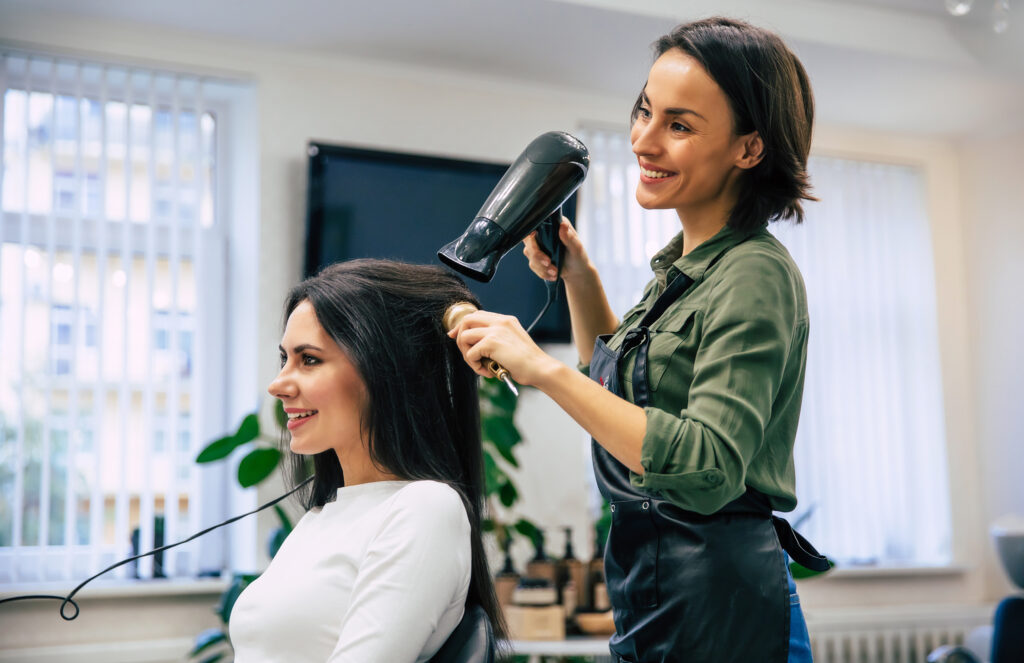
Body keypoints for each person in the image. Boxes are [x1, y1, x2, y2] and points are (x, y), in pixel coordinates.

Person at [448, 16, 827, 663]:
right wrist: (578, 273)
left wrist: (539, 367)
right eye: (644, 112)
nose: (643, 141)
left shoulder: (755, 272)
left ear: (749, 148)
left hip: (723, 599)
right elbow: (616, 385)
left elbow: (707, 466)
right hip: (653, 580)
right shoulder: (680, 270)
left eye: (678, 125)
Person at [229, 259, 505, 663]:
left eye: (308, 359)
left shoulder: (424, 509)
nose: (278, 384)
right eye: (284, 358)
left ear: (384, 371)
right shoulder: (322, 517)